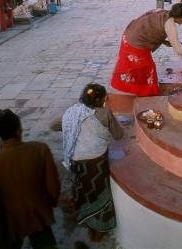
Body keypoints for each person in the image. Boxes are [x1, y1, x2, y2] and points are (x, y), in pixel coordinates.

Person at [0, 110, 60, 249]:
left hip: (11, 222)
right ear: (19, 129)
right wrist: (49, 204)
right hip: (38, 215)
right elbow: (53, 187)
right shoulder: (40, 149)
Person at [62, 83, 124, 243]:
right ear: (99, 100)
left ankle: (83, 215)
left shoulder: (72, 112)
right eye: (104, 98)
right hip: (95, 164)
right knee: (99, 195)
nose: (106, 100)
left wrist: (73, 127)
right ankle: (97, 231)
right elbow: (118, 135)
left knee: (82, 190)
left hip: (75, 162)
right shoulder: (105, 112)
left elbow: (54, 125)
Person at [111, 3, 182, 96]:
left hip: (129, 34)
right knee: (147, 68)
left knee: (137, 66)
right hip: (136, 42)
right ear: (179, 17)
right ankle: (145, 93)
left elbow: (151, 27)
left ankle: (136, 87)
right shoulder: (170, 25)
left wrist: (166, 42)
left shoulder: (163, 12)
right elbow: (179, 50)